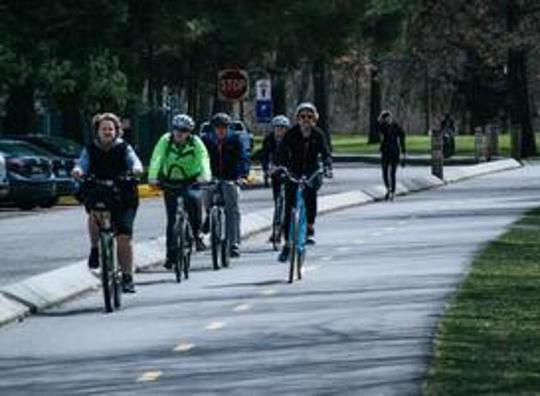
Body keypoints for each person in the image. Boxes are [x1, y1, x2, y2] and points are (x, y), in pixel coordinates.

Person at [72, 112, 143, 293]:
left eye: (111, 129)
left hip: (123, 195)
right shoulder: (90, 148)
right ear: (97, 131)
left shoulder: (123, 148)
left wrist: (135, 169)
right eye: (104, 129)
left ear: (117, 131)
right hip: (99, 191)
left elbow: (135, 163)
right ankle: (95, 248)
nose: (107, 132)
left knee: (123, 236)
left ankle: (127, 277)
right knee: (94, 213)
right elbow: (82, 163)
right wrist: (78, 171)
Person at [148, 114, 211, 269]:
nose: (179, 133)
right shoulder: (165, 141)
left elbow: (204, 159)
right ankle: (170, 256)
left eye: (183, 130)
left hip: (191, 180)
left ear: (189, 132)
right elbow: (157, 157)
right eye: (176, 129)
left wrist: (205, 176)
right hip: (169, 181)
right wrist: (152, 177)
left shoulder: (196, 142)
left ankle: (197, 235)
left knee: (193, 201)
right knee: (171, 219)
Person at [277, 102, 332, 262]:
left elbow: (326, 152)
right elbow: (281, 151)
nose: (306, 120)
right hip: (293, 169)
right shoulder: (291, 134)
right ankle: (287, 244)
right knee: (290, 207)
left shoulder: (318, 134)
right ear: (297, 119)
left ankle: (309, 226)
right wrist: (280, 167)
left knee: (310, 193)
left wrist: (327, 166)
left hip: (312, 170)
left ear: (314, 119)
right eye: (302, 117)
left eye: (309, 117)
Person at [201, 112, 250, 258]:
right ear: (213, 128)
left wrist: (243, 175)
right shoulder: (206, 141)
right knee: (206, 196)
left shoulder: (235, 140)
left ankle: (234, 243)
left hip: (231, 177)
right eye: (218, 127)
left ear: (228, 128)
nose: (221, 130)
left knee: (232, 209)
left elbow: (243, 158)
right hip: (212, 177)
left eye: (224, 127)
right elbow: (200, 158)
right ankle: (210, 216)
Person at [262, 115, 290, 243]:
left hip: (289, 170)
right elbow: (265, 155)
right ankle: (276, 230)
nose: (280, 131)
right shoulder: (269, 140)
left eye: (282, 129)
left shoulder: (292, 139)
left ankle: (288, 228)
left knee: (290, 201)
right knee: (278, 201)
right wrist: (266, 169)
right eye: (277, 128)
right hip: (276, 171)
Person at [378, 110, 406, 201]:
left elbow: (402, 136)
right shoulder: (382, 126)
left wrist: (403, 151)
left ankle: (392, 191)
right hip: (385, 152)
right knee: (385, 172)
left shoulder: (396, 126)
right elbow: (378, 129)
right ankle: (388, 188)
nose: (387, 120)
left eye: (388, 118)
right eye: (385, 118)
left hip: (394, 152)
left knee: (392, 173)